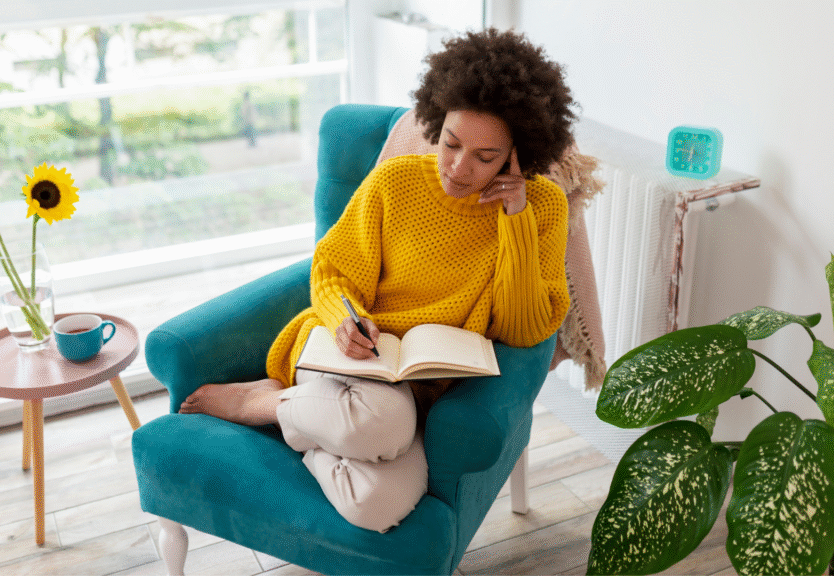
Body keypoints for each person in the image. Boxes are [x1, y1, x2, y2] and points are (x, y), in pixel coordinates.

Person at [178, 28, 575, 533]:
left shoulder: (542, 208)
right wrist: (345, 319)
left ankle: (299, 422)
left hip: (419, 387)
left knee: (376, 505)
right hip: (350, 356)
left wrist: (514, 217)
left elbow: (523, 328)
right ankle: (257, 402)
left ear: (519, 155)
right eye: (451, 143)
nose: (458, 167)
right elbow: (332, 269)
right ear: (438, 120)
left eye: (486, 156)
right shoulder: (396, 182)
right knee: (380, 422)